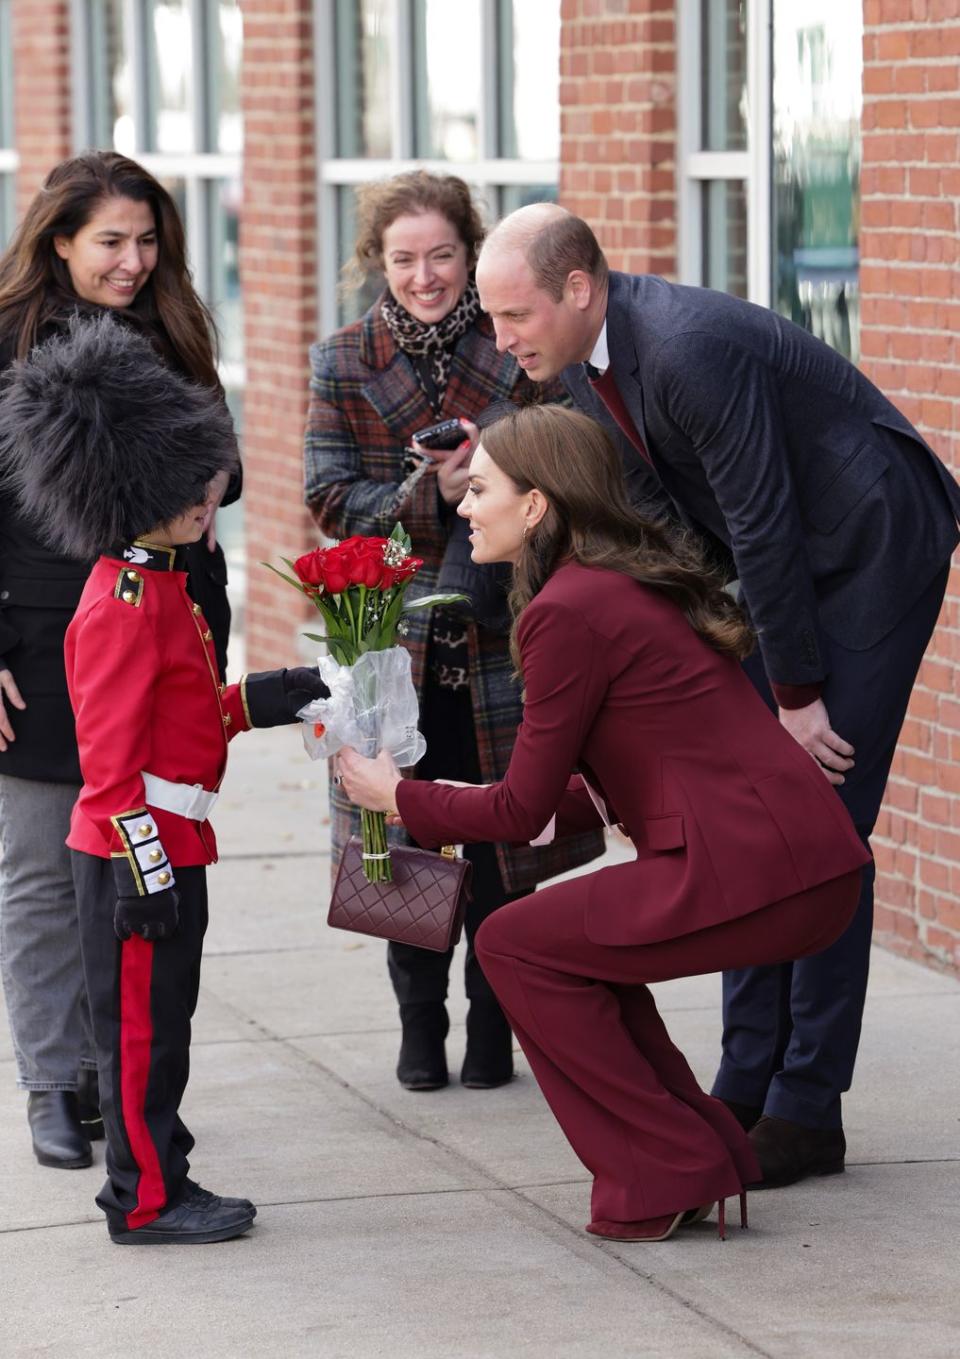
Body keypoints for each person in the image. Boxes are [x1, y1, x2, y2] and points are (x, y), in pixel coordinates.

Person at [471, 203, 960, 1189]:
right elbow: (661, 516)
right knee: (747, 818)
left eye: (514, 313)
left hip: (869, 543)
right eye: (493, 319)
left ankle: (807, 1107)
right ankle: (744, 1078)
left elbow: (764, 523)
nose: (502, 339)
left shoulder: (688, 350)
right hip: (778, 562)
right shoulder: (577, 361)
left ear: (578, 288)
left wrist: (796, 694)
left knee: (819, 822)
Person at [338, 404, 869, 1241]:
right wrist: (541, 808)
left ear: (538, 505)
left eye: (480, 490)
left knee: (513, 942)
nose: (465, 507)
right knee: (569, 951)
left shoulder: (565, 610)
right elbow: (652, 751)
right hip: (798, 860)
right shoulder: (609, 583)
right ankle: (696, 1158)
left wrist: (395, 796)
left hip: (759, 869)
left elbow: (516, 808)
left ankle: (668, 1170)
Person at [0, 314, 327, 1244]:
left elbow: (182, 722)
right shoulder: (122, 601)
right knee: (140, 1035)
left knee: (163, 1028)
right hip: (136, 851)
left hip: (168, 840)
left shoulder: (164, 582)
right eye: (188, 489)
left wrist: (268, 697)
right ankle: (143, 1199)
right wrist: (144, 871)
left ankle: (160, 1155)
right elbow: (108, 769)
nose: (207, 500)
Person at [304, 171, 602, 1093]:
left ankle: (494, 1027)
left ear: (471, 253)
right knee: (398, 836)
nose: (424, 276)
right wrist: (425, 492)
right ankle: (419, 1021)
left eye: (441, 255)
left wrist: (494, 469)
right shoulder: (344, 358)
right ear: (376, 262)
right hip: (393, 641)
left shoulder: (515, 341)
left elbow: (576, 461)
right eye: (403, 259)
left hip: (503, 631)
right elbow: (328, 499)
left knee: (504, 841)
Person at [0, 150, 240, 1171]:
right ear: (59, 241)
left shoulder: (177, 334)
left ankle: (118, 1073)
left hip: (168, 634)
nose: (134, 261)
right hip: (38, 643)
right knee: (44, 874)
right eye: (110, 241)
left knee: (137, 873)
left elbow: (223, 479)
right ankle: (56, 1082)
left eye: (148, 241)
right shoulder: (6, 344)